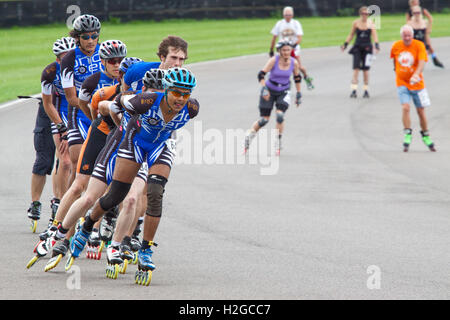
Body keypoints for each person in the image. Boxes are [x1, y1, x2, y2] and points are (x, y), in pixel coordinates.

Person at [69, 67, 199, 286]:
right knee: (115, 196)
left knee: (155, 193)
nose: (181, 99)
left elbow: (176, 119)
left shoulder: (192, 107)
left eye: (186, 94)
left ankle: (146, 249)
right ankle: (88, 224)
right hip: (135, 141)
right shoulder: (146, 101)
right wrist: (121, 127)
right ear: (166, 89)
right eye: (177, 92)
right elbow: (117, 103)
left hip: (160, 146)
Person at [39, 37, 76, 229]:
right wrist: (61, 127)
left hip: (80, 115)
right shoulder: (50, 72)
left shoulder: (82, 67)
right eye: (62, 58)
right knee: (66, 160)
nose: (66, 61)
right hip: (60, 115)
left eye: (69, 57)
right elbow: (47, 103)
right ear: (57, 58)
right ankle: (60, 201)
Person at [61, 14, 102, 182]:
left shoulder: (105, 52)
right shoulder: (69, 59)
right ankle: (68, 204)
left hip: (103, 111)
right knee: (78, 162)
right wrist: (92, 109)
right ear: (77, 37)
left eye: (94, 36)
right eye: (86, 37)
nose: (91, 40)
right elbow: (71, 97)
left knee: (101, 162)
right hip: (79, 112)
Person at [245, 39, 302, 156]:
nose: (286, 52)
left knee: (280, 115)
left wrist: (299, 93)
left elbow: (297, 78)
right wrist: (263, 88)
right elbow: (261, 74)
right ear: (279, 51)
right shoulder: (273, 61)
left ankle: (278, 141)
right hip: (269, 90)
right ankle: (249, 136)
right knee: (264, 120)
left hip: (284, 91)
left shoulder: (294, 62)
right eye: (284, 50)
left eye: (288, 50)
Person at [390, 25, 436, 152]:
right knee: (405, 107)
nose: (407, 37)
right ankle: (407, 134)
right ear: (401, 36)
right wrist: (397, 72)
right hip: (402, 82)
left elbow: (422, 61)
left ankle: (426, 135)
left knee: (421, 111)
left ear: (413, 35)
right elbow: (394, 61)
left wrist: (416, 74)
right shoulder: (396, 46)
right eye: (404, 35)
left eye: (409, 35)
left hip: (417, 84)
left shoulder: (419, 45)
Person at [24, 96, 56, 233]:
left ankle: (58, 202)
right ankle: (35, 203)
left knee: (66, 162)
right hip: (49, 106)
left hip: (71, 108)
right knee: (43, 160)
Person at [269, 6, 314, 90]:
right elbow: (274, 37)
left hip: (293, 48)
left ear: (292, 15)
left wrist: (292, 46)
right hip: (282, 49)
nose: (287, 17)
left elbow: (299, 38)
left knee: (299, 67)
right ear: (283, 15)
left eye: (289, 15)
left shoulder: (296, 23)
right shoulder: (279, 23)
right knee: (280, 65)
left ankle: (307, 77)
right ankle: (283, 83)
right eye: (286, 15)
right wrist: (271, 49)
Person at [122, 35, 188, 91]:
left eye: (181, 59)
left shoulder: (183, 81)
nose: (177, 63)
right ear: (162, 57)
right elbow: (124, 90)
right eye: (173, 58)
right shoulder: (138, 70)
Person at [341, 6, 380, 98]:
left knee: (366, 69)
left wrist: (377, 45)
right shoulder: (356, 23)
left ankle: (366, 90)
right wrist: (345, 44)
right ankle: (354, 89)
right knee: (356, 68)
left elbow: (374, 35)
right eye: (363, 14)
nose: (365, 16)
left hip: (367, 47)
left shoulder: (371, 23)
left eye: (366, 14)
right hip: (357, 47)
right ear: (360, 14)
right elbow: (351, 35)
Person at [406, 0, 444, 68]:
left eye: (417, 1)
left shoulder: (422, 10)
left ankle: (434, 58)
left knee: (428, 46)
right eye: (415, 2)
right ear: (412, 3)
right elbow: (407, 21)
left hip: (423, 30)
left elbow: (430, 18)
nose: (417, 3)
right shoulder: (409, 12)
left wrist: (429, 27)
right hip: (414, 30)